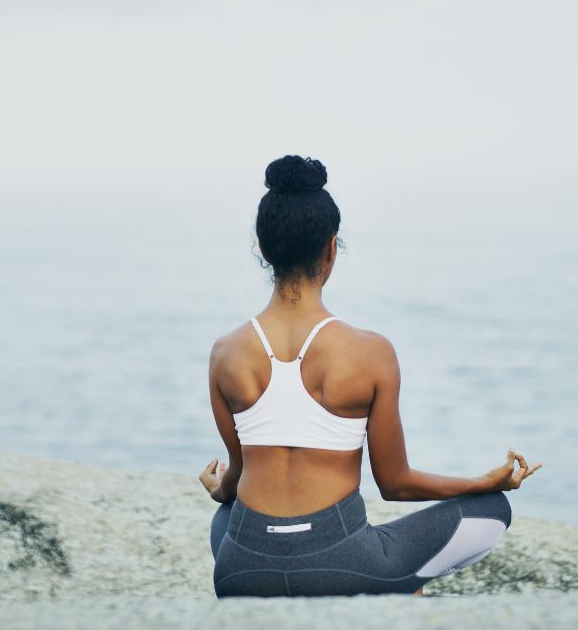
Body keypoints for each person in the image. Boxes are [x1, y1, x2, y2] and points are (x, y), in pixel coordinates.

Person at [199, 155, 542, 598]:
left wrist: (217, 487)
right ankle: (397, 590)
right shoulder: (371, 352)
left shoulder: (224, 353)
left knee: (227, 517)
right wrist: (485, 482)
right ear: (330, 248)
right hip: (340, 565)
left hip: (242, 572)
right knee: (492, 510)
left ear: (263, 249)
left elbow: (241, 474)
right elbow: (395, 483)